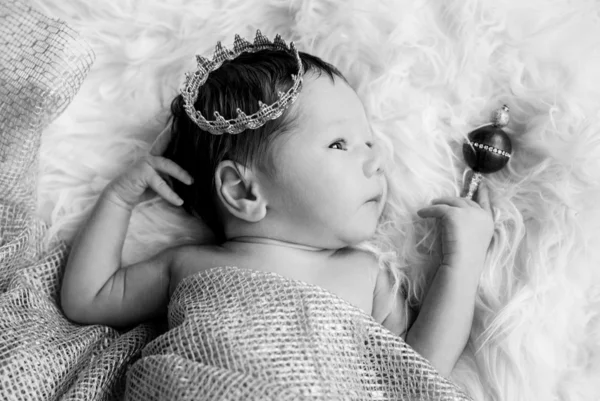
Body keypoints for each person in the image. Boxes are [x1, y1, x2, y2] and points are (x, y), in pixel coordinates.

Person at [60, 31, 495, 378]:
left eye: (369, 140)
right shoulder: (186, 265)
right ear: (244, 192)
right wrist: (118, 200)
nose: (377, 159)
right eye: (340, 143)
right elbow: (86, 300)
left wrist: (461, 264)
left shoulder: (368, 276)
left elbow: (418, 374)